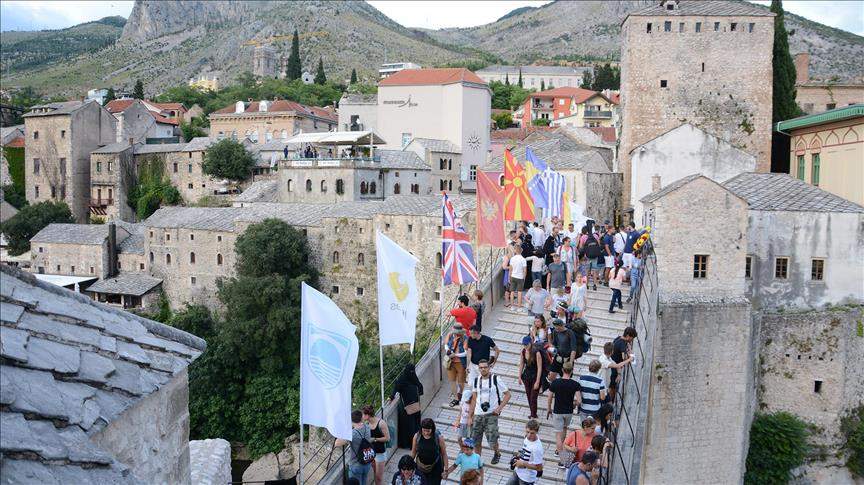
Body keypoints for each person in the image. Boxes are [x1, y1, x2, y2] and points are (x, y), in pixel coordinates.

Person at [467, 359, 511, 464]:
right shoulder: (476, 381)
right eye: (481, 367)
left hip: (491, 414)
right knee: (476, 440)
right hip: (478, 414)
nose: (483, 369)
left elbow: (508, 394)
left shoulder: (496, 379)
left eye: (485, 367)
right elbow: (474, 399)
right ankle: (477, 461)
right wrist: (470, 416)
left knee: (492, 439)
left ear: (489, 367)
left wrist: (499, 408)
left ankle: (497, 453)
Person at [547, 361, 580, 468]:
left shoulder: (555, 383)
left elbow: (550, 397)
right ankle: (562, 450)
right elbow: (579, 400)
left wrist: (548, 408)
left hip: (558, 411)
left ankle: (563, 460)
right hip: (568, 412)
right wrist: (574, 405)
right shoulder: (575, 384)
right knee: (564, 429)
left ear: (562, 370)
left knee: (558, 435)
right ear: (572, 371)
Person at [389, 364, 424, 449]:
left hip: (407, 407)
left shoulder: (402, 379)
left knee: (408, 426)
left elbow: (395, 389)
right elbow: (420, 389)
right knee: (413, 425)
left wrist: (391, 397)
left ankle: (409, 444)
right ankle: (414, 444)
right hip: (414, 406)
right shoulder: (413, 378)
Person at [335, 409, 373, 485]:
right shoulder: (367, 427)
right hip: (367, 461)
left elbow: (337, 443)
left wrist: (346, 429)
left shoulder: (352, 434)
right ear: (362, 418)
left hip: (356, 465)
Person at [411, 418, 449, 485]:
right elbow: (414, 452)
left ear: (432, 429)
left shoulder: (438, 438)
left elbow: (444, 454)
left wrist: (446, 470)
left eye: (428, 431)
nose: (426, 433)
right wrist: (409, 465)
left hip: (435, 468)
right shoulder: (417, 436)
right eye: (424, 430)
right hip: (420, 467)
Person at [507, 419, 544, 485]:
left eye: (532, 433)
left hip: (527, 478)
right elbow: (525, 450)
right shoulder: (526, 438)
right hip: (518, 472)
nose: (529, 435)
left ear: (537, 432)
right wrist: (518, 455)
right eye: (527, 432)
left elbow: (539, 468)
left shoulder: (537, 448)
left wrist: (523, 464)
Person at [363, 406, 391, 485]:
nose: (362, 416)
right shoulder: (367, 424)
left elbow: (387, 438)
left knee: (379, 477)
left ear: (368, 415)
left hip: (380, 452)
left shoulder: (381, 423)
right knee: (375, 473)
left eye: (363, 414)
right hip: (371, 452)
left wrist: (375, 439)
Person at [518, 335, 544, 419]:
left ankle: (533, 415)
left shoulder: (536, 353)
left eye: (527, 344)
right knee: (529, 395)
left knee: (533, 396)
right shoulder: (523, 351)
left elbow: (540, 368)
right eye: (524, 344)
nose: (525, 346)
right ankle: (533, 412)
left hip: (535, 376)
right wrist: (519, 376)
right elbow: (521, 363)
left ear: (531, 343)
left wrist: (537, 381)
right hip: (526, 376)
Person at [609, 327, 637, 402]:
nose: (632, 340)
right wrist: (630, 358)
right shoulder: (622, 344)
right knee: (613, 386)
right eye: (632, 338)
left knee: (613, 385)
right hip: (615, 367)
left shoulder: (618, 338)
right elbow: (624, 358)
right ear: (627, 336)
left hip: (613, 363)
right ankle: (611, 401)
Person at [444, 322, 468, 407]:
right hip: (451, 362)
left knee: (461, 381)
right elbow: (446, 345)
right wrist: (448, 351)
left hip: (460, 362)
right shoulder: (450, 335)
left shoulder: (465, 338)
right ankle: (456, 398)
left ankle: (460, 393)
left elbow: (465, 353)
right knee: (452, 381)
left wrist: (456, 355)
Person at [508, 245, 528, 310]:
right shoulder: (523, 259)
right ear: (521, 251)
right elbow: (525, 270)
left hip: (513, 276)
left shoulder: (512, 259)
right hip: (520, 277)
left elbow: (510, 269)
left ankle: (512, 306)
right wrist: (524, 278)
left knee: (512, 292)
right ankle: (519, 307)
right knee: (519, 292)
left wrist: (509, 277)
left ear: (515, 251)